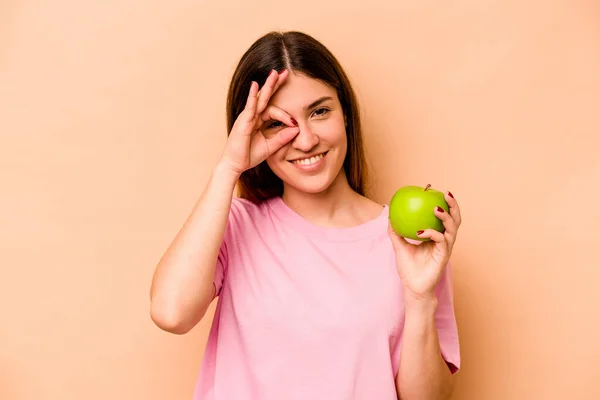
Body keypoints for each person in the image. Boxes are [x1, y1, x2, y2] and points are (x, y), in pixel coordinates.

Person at [150, 30, 462, 400]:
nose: (306, 140)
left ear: (345, 113)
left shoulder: (408, 242)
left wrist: (420, 298)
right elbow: (171, 313)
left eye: (319, 111)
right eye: (277, 124)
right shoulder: (235, 225)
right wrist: (229, 167)